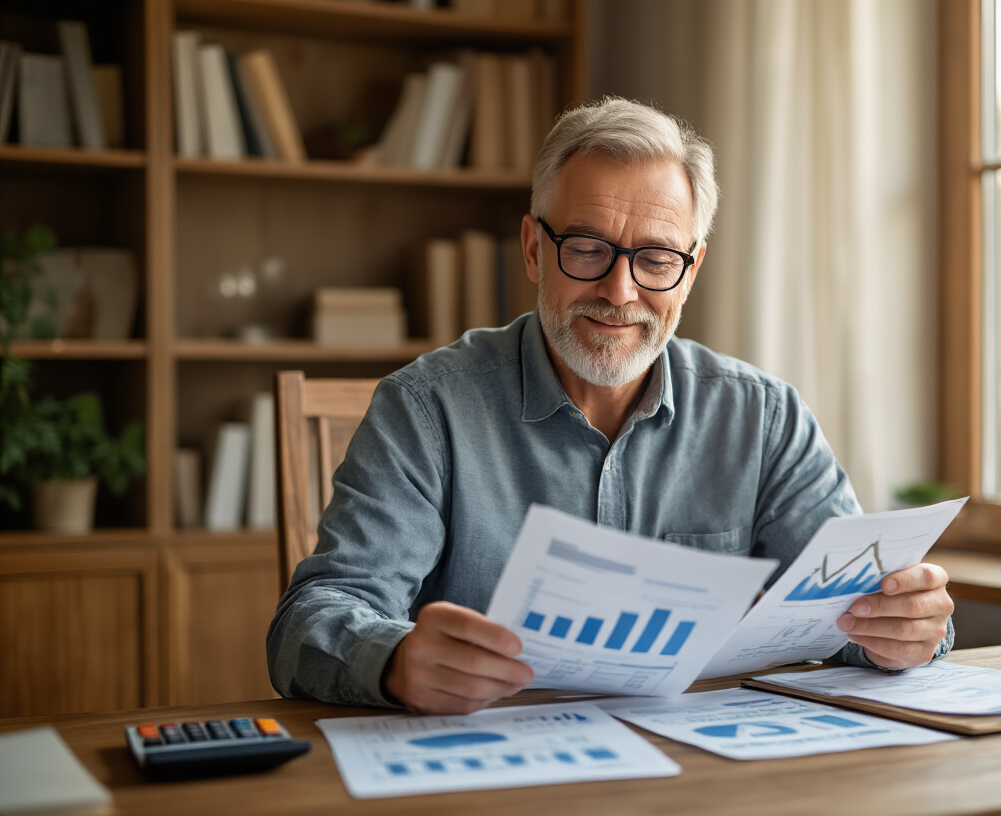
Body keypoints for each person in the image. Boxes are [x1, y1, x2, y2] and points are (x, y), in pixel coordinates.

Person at [267, 97, 954, 715]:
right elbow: (309, 622)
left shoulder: (764, 419)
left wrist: (903, 630)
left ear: (691, 271)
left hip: (701, 773)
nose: (621, 292)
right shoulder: (426, 409)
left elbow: (862, 609)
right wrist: (392, 662)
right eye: (588, 249)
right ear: (535, 248)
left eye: (656, 258)